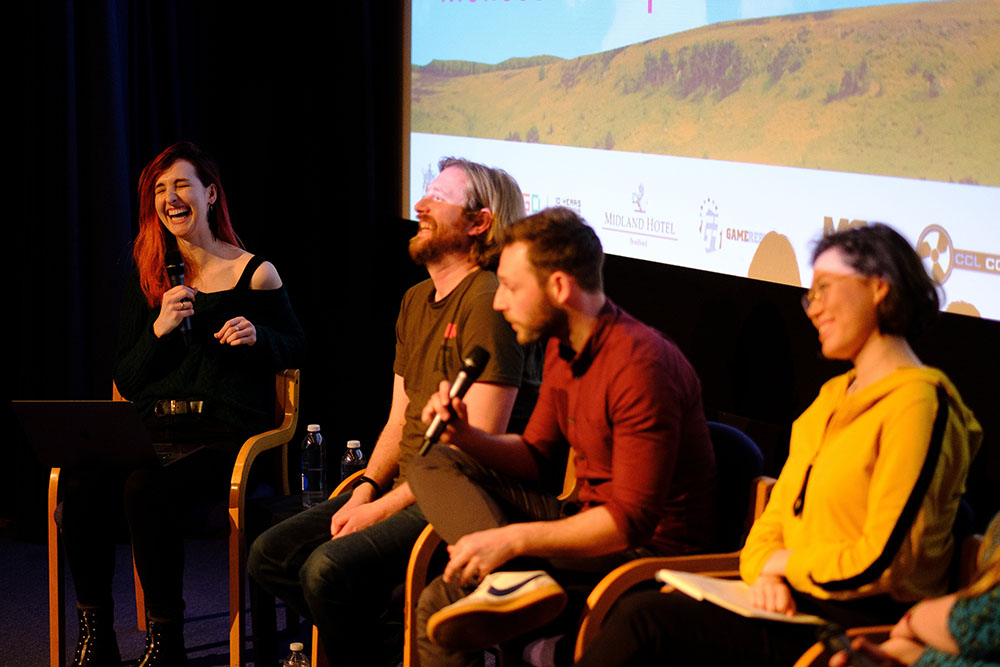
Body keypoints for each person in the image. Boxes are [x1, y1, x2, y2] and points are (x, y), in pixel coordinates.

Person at [575, 223, 983, 667]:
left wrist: (782, 568)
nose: (814, 309)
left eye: (825, 289)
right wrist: (768, 574)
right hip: (791, 602)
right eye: (812, 295)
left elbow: (885, 562)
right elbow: (767, 530)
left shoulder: (920, 403)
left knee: (646, 620)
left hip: (856, 625)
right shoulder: (829, 400)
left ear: (879, 287)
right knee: (644, 610)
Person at [248, 157, 539, 665]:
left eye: (439, 197)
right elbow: (397, 420)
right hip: (403, 487)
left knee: (326, 573)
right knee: (269, 556)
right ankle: (391, 638)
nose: (419, 205)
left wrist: (380, 508)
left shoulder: (488, 300)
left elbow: (471, 458)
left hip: (450, 494)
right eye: (424, 192)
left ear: (479, 222)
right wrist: (367, 486)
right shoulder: (413, 299)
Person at [409, 206, 717, 667]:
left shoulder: (641, 366)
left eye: (511, 288)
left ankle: (509, 578)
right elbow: (538, 459)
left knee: (442, 598)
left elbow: (629, 523)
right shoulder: (561, 344)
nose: (498, 301)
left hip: (644, 559)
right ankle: (511, 581)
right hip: (583, 517)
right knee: (430, 456)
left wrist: (512, 542)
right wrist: (465, 436)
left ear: (558, 286)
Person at [61, 141, 306, 666]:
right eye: (159, 190)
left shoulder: (254, 272)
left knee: (145, 487)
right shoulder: (149, 278)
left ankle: (166, 638)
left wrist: (259, 335)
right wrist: (159, 327)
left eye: (181, 186)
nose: (170, 198)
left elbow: (298, 348)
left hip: (223, 436)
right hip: (154, 431)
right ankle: (96, 634)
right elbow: (125, 375)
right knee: (80, 483)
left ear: (210, 194)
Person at [829, 511, 1000, 667]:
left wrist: (915, 620)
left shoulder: (976, 618)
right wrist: (914, 656)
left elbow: (979, 620)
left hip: (878, 586)